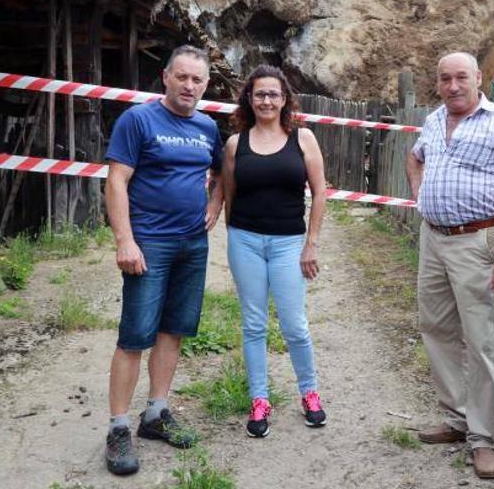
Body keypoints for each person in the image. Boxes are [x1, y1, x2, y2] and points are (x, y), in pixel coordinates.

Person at [103, 45, 224, 475]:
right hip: (148, 244)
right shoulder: (138, 120)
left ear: (206, 86)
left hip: (193, 245)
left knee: (174, 330)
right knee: (135, 335)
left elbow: (221, 172)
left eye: (198, 80)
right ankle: (118, 427)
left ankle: (155, 414)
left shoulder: (208, 127)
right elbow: (116, 181)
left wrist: (216, 203)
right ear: (166, 78)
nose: (189, 86)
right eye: (183, 77)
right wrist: (125, 241)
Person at [405, 51, 494, 479]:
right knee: (435, 327)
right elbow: (415, 155)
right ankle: (457, 419)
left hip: (479, 241)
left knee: (482, 342)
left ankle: (485, 439)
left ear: (478, 78)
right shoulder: (435, 119)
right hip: (433, 239)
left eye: (461, 78)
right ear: (437, 83)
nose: (453, 86)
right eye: (444, 79)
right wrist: (420, 194)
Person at [222, 64, 328, 438]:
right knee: (253, 325)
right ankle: (259, 400)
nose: (266, 100)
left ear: (285, 99)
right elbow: (229, 197)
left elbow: (320, 193)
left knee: (294, 324)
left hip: (288, 243)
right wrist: (233, 235)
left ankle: (309, 393)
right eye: (259, 94)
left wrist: (310, 244)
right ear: (249, 99)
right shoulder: (236, 144)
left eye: (273, 94)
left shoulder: (303, 139)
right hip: (245, 241)